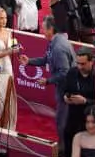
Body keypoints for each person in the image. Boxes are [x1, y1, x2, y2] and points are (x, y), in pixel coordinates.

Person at [19, 15, 76, 148]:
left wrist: (48, 81)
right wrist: (30, 61)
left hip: (66, 89)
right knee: (62, 119)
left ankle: (64, 150)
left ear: (51, 30)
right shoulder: (55, 42)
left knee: (62, 121)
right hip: (63, 87)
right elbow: (46, 58)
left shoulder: (58, 48)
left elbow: (64, 72)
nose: (43, 31)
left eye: (44, 29)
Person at [63, 48, 95, 157]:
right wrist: (65, 97)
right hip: (72, 119)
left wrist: (85, 101)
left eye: (83, 64)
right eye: (78, 63)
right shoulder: (72, 72)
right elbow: (66, 90)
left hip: (89, 124)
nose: (80, 67)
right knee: (69, 149)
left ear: (91, 61)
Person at [0, 6, 18, 130]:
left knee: (8, 99)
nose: (5, 20)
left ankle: (7, 125)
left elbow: (13, 47)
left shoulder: (9, 32)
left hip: (8, 68)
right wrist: (8, 51)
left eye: (5, 18)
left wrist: (16, 50)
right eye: (2, 18)